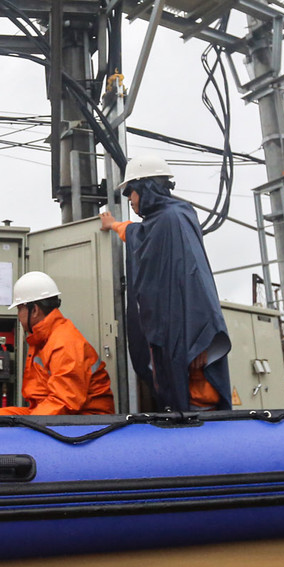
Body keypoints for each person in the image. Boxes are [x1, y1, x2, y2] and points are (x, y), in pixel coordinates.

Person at [100, 154, 232, 412]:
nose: (130, 199)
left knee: (194, 405)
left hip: (191, 341)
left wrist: (200, 340)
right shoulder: (166, 220)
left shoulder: (172, 219)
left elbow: (196, 281)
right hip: (176, 334)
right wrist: (114, 224)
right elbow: (138, 233)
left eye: (131, 192)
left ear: (145, 188)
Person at [0, 271, 115, 416]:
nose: (18, 316)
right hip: (60, 413)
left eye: (19, 309)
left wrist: (29, 426)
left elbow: (64, 402)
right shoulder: (45, 339)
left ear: (34, 310)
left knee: (3, 425)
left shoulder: (64, 343)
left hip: (87, 420)